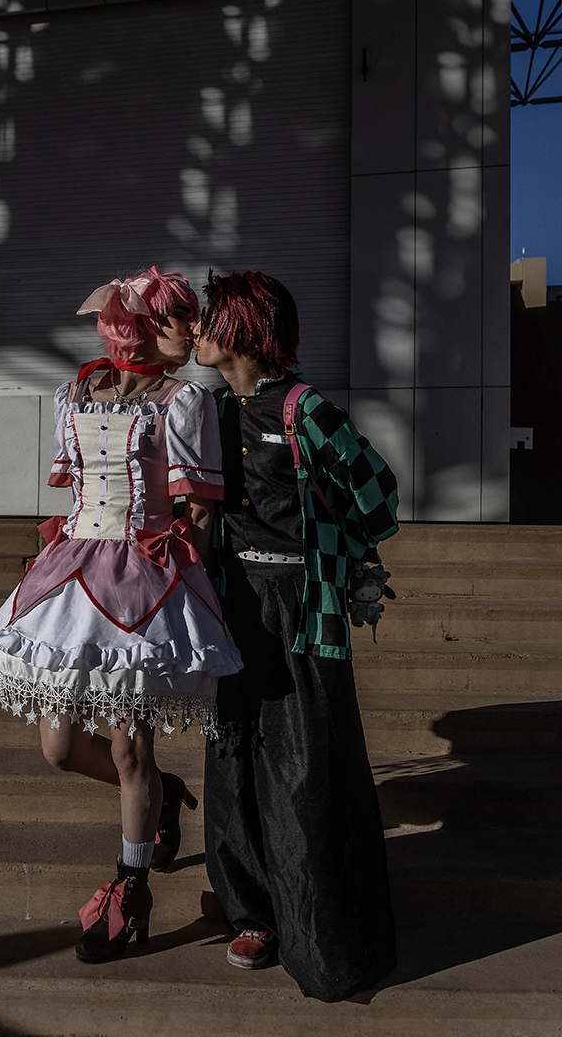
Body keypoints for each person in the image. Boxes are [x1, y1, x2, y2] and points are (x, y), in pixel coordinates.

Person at [0, 267, 242, 964]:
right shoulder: (74, 394)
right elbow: (76, 491)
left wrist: (183, 584)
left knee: (131, 750)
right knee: (59, 747)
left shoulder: (186, 401)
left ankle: (133, 884)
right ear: (142, 324)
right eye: (181, 316)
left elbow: (199, 509)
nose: (194, 329)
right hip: (74, 571)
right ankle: (165, 796)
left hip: (146, 577)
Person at [192, 269, 400, 1002]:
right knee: (233, 754)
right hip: (234, 605)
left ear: (243, 331)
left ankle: (317, 925)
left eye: (210, 319)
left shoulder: (305, 408)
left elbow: (378, 494)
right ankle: (251, 912)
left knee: (304, 764)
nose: (198, 331)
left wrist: (346, 554)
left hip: (301, 608)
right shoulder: (211, 410)